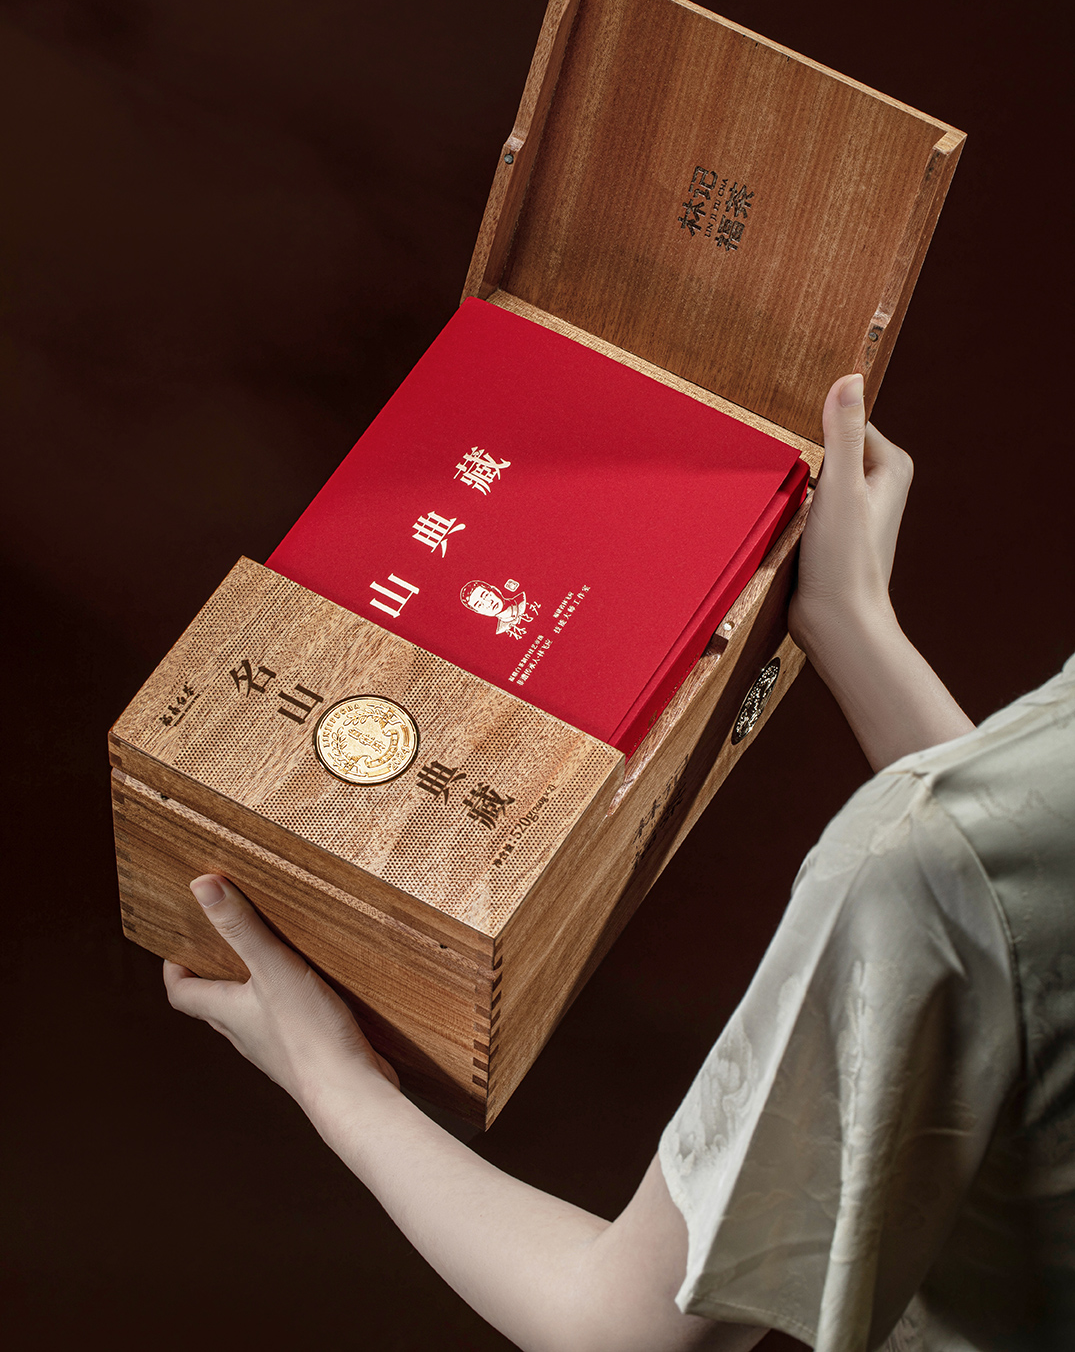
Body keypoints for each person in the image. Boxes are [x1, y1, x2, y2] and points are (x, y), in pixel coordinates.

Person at [164, 375, 1074, 1351]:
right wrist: (849, 622)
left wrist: (332, 1076)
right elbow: (1034, 898)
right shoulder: (952, 856)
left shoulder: (910, 866)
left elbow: (628, 1331)